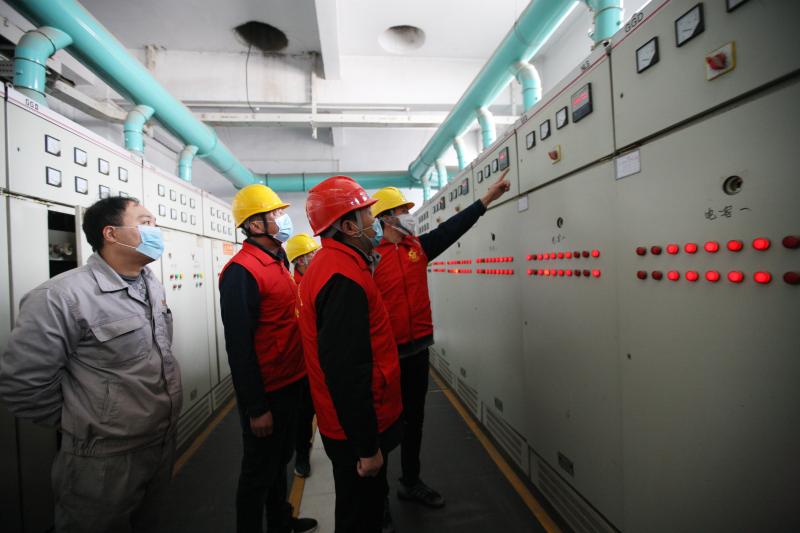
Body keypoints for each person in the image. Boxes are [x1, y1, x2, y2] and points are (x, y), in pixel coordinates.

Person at [0, 196, 181, 533]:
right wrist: (88, 423)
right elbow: (23, 386)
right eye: (145, 222)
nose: (156, 230)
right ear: (111, 234)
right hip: (102, 458)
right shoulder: (60, 296)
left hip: (160, 440)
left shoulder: (150, 284)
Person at [371, 171, 510, 511]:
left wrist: (487, 199)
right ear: (387, 218)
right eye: (403, 211)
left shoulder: (417, 247)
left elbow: (453, 228)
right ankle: (378, 500)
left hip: (418, 349)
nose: (409, 216)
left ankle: (410, 481)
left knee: (414, 421)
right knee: (384, 427)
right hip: (387, 356)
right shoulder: (370, 258)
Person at [297, 176, 404, 533]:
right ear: (347, 227)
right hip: (356, 429)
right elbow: (346, 373)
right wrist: (367, 448)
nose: (375, 222)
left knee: (360, 507)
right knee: (360, 516)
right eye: (368, 215)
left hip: (350, 423)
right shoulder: (342, 278)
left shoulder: (339, 265)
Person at [219, 184, 317, 533]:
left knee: (279, 461)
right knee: (257, 473)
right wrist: (256, 407)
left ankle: (280, 521)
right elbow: (239, 347)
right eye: (275, 213)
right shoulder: (241, 271)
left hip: (291, 380)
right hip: (268, 390)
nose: (282, 218)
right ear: (255, 224)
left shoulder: (277, 260)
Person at [284, 233, 321, 478]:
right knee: (304, 414)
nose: (316, 257)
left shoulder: (320, 281)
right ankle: (302, 454)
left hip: (323, 359)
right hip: (303, 364)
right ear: (300, 260)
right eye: (311, 254)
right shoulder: (291, 288)